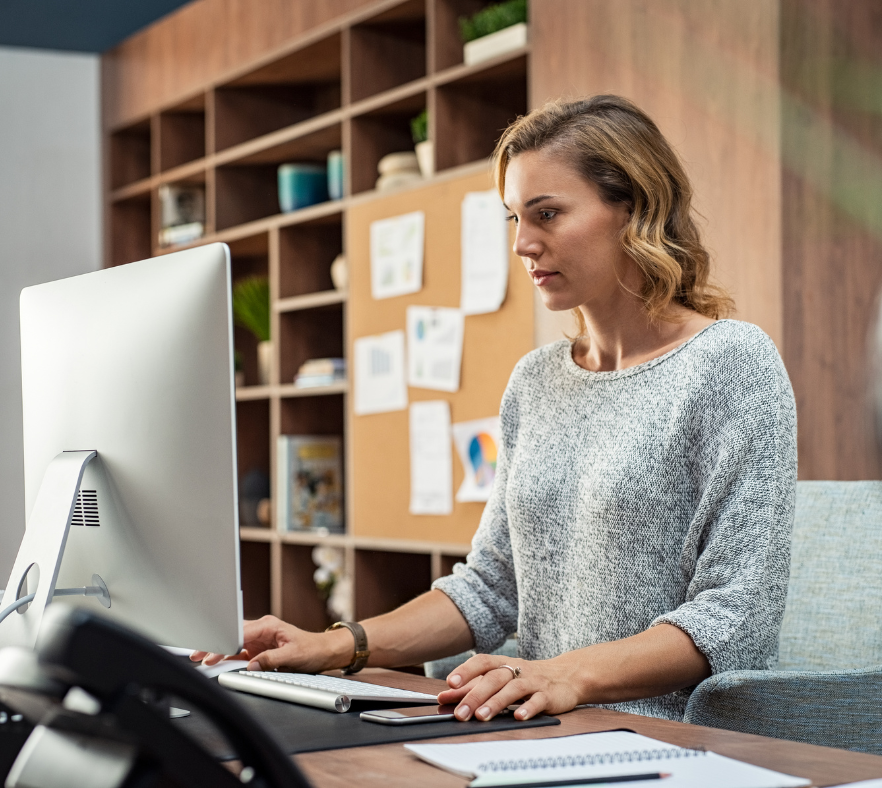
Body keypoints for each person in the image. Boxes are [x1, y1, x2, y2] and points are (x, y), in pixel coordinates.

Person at [194, 95, 797, 723]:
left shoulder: (732, 362)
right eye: (514, 218)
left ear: (634, 209)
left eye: (547, 214)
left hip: (670, 743)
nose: (523, 244)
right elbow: (489, 588)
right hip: (539, 730)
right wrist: (336, 645)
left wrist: (566, 674)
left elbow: (738, 614)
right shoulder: (535, 381)